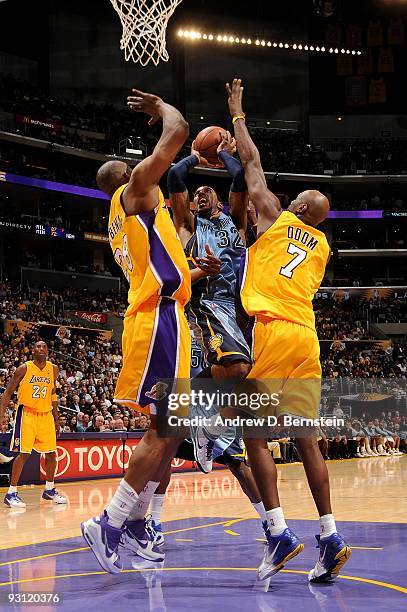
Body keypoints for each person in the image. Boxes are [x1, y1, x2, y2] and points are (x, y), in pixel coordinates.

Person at [81, 87, 212, 575]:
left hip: (163, 316)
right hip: (157, 319)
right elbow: (176, 133)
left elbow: (168, 266)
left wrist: (197, 272)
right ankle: (109, 523)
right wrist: (162, 110)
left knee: (171, 430)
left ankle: (135, 524)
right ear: (131, 177)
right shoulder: (134, 191)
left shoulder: (140, 218)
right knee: (162, 431)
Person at [225, 78, 351, 583]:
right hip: (307, 337)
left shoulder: (276, 219)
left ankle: (277, 531)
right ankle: (331, 534)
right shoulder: (321, 248)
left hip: (274, 331)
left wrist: (237, 115)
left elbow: (253, 167)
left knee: (252, 432)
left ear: (297, 207)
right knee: (306, 441)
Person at [167, 131, 251, 469]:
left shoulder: (236, 221)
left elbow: (242, 176)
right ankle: (209, 428)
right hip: (208, 302)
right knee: (238, 368)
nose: (200, 194)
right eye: (195, 193)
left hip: (239, 306)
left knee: (238, 372)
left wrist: (223, 154)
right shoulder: (187, 223)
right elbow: (174, 176)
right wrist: (196, 159)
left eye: (207, 191)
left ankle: (200, 413)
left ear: (219, 199)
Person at [0, 340, 66, 507]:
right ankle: (11, 493)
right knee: (24, 454)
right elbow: (8, 392)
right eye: (38, 346)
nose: (41, 348)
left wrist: (57, 419)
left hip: (46, 416)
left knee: (52, 454)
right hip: (27, 414)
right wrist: (1, 415)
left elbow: (53, 394)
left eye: (44, 346)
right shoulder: (24, 368)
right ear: (33, 351)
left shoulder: (54, 369)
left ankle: (49, 490)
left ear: (48, 350)